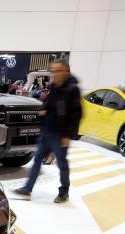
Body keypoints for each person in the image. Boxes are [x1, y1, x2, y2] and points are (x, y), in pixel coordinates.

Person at [14, 60, 82, 203]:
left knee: (62, 164)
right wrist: (44, 109)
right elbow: (49, 102)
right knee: (37, 160)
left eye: (57, 71)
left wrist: (68, 135)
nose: (54, 74)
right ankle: (27, 189)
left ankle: (64, 192)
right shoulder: (55, 86)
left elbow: (77, 114)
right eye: (52, 71)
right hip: (47, 131)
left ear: (65, 72)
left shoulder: (72, 89)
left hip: (60, 134)